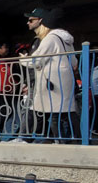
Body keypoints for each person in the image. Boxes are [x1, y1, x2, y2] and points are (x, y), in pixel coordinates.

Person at [18, 8, 78, 141]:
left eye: (31, 20)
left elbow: (36, 60)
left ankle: (59, 142)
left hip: (53, 82)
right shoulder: (65, 39)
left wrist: (22, 59)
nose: (28, 22)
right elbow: (74, 61)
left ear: (42, 22)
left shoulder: (50, 39)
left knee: (51, 114)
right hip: (65, 81)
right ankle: (77, 140)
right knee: (66, 112)